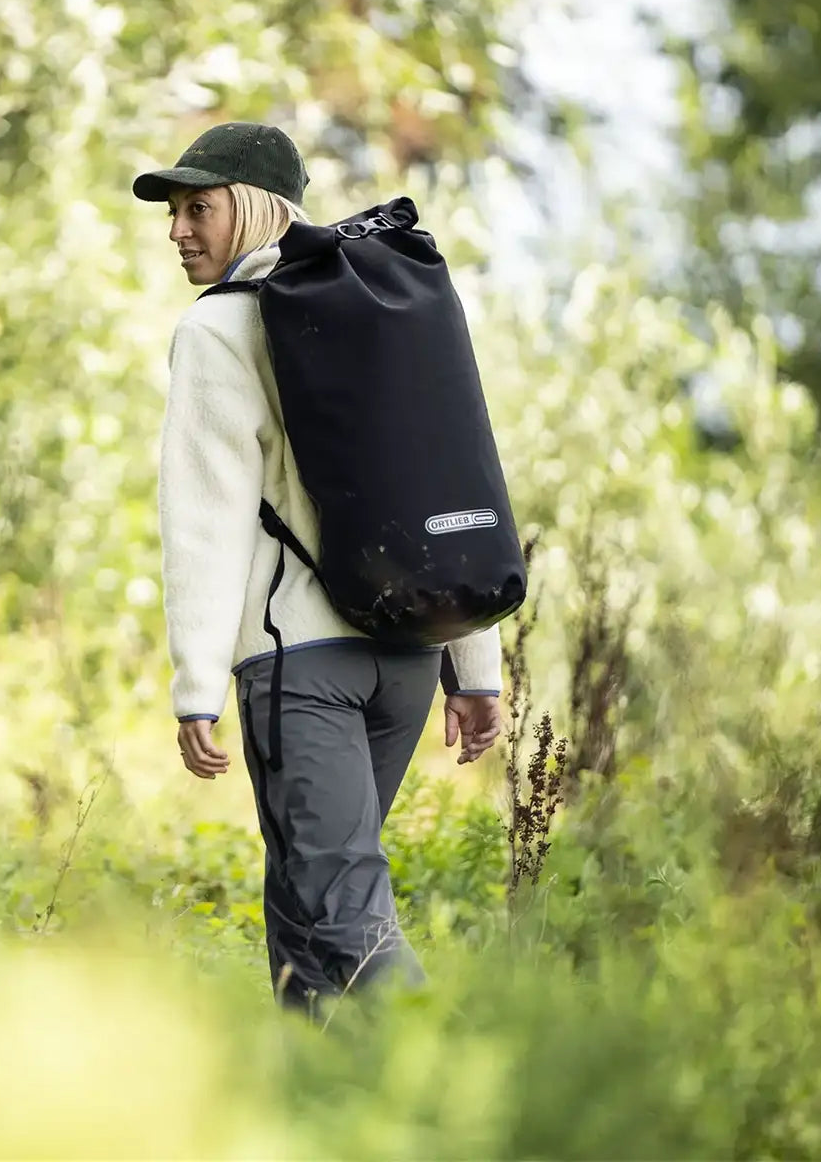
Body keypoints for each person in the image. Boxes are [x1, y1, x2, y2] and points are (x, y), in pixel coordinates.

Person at [133, 121, 504, 1012]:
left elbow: (206, 519)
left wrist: (194, 686)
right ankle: (322, 1110)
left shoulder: (219, 329)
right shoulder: (377, 311)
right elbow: (459, 465)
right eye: (175, 213)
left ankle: (462, 1094)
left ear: (258, 208)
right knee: (308, 900)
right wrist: (474, 665)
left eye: (200, 208)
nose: (179, 231)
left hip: (301, 668)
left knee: (338, 905)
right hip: (410, 656)